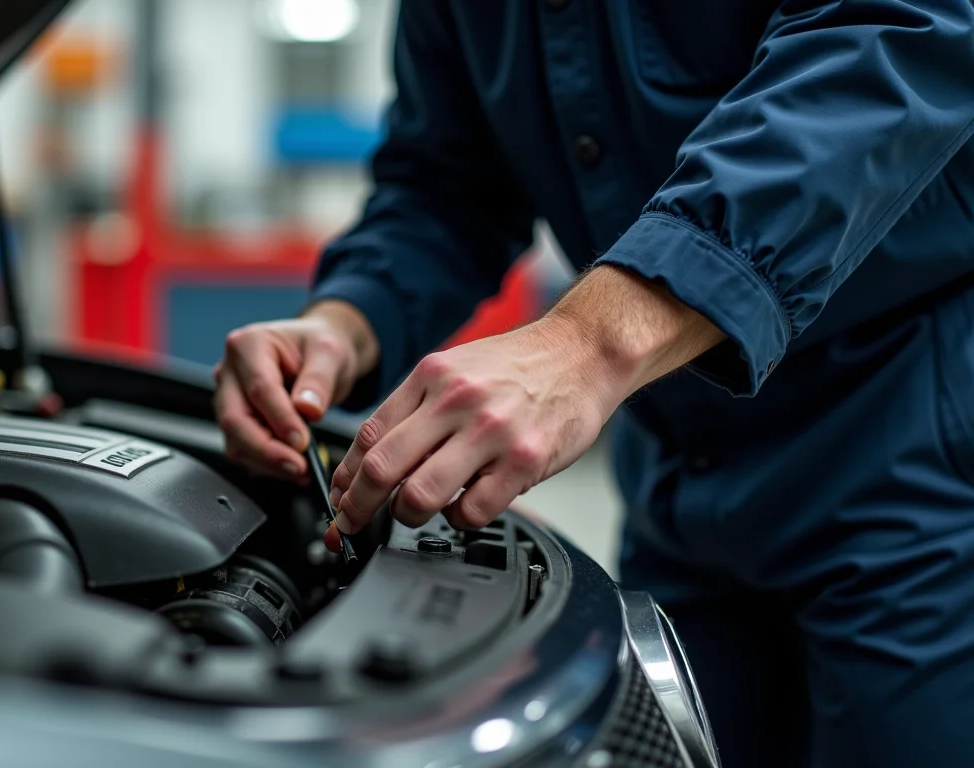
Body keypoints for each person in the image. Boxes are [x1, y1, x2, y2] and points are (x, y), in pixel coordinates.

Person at [213, 3, 974, 766]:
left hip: (918, 467)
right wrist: (345, 325)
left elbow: (887, 41)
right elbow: (446, 184)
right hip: (682, 492)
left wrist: (589, 343)